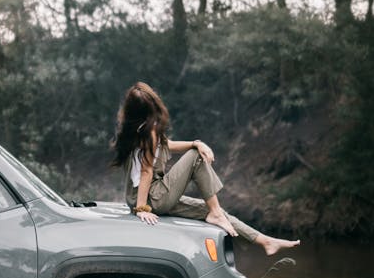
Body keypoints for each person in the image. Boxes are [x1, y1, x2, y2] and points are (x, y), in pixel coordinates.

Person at [112, 81, 300, 256]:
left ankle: (265, 241)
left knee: (207, 209)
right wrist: (142, 209)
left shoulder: (133, 128)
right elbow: (146, 172)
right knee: (196, 158)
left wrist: (195, 143)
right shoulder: (148, 132)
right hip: (151, 198)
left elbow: (166, 145)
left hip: (143, 196)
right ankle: (217, 213)